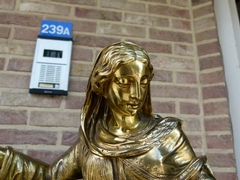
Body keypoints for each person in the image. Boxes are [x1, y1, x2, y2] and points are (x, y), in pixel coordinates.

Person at [0, 42, 215, 179]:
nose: (136, 94)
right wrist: (5, 159)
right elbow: (50, 176)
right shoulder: (91, 144)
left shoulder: (167, 136)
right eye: (124, 82)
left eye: (143, 82)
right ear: (102, 86)